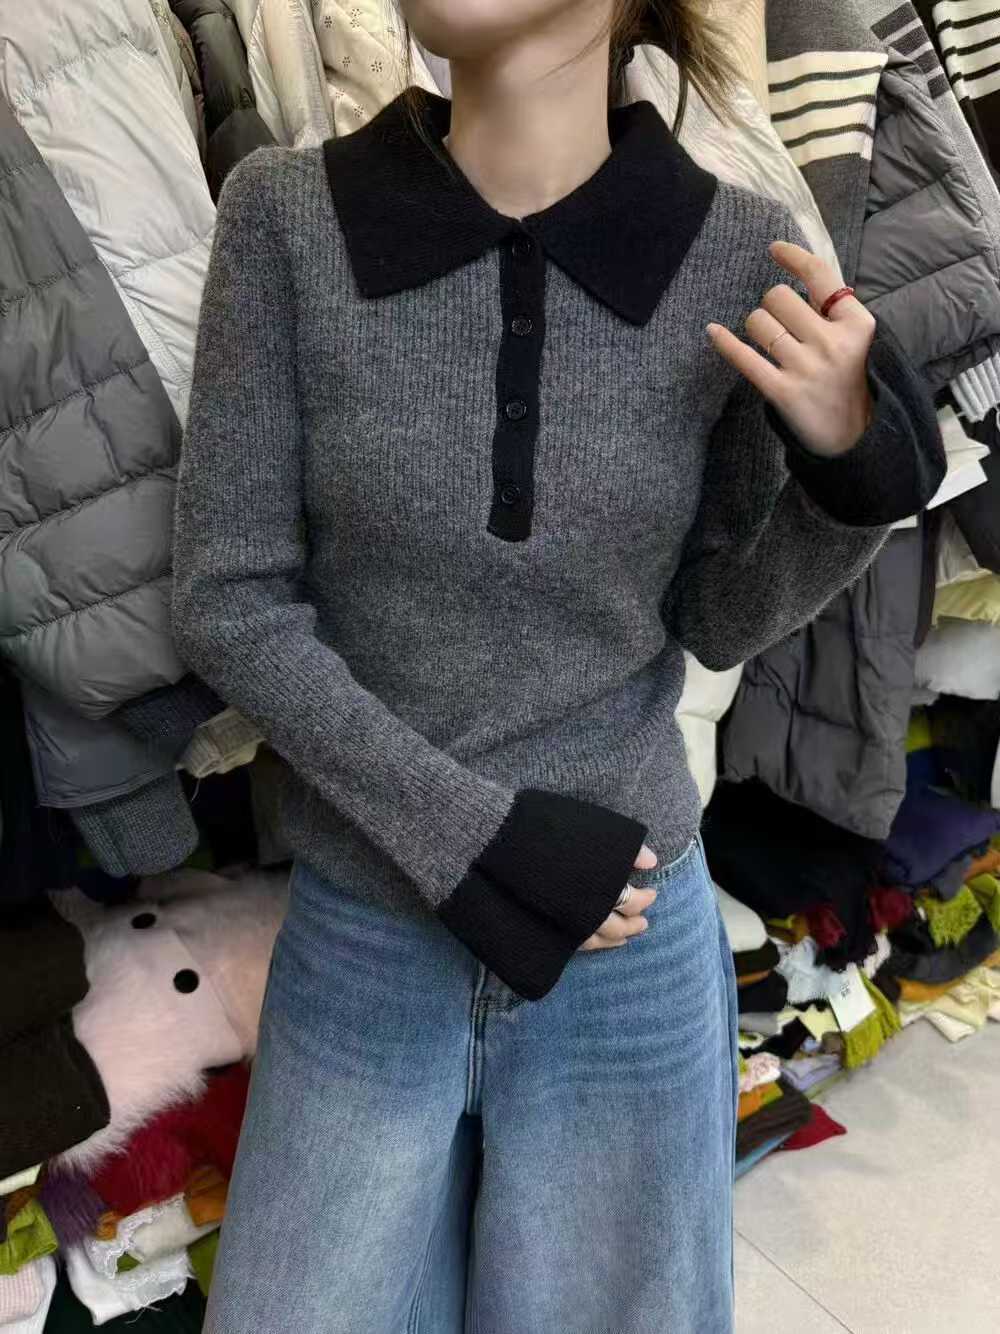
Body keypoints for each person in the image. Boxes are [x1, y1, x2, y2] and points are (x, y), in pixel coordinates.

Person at [172, 2, 944, 1329]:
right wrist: (466, 835)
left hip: (628, 942)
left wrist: (851, 481)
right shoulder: (290, 218)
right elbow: (229, 603)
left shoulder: (728, 254)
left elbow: (715, 613)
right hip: (367, 936)